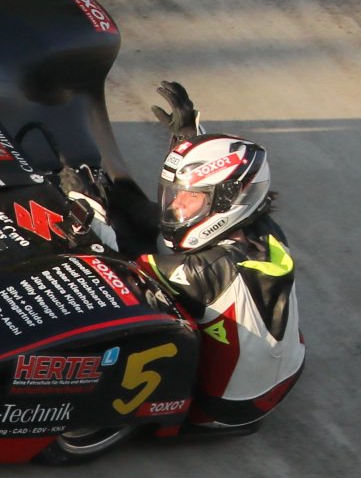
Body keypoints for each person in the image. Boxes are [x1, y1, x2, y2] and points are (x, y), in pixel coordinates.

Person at [62, 81, 304, 433]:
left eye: (189, 197)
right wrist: (189, 138)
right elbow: (221, 183)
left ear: (228, 201)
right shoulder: (261, 227)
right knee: (142, 217)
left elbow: (118, 260)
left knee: (119, 273)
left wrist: (85, 203)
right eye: (176, 193)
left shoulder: (206, 271)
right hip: (285, 371)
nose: (176, 203)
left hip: (227, 408)